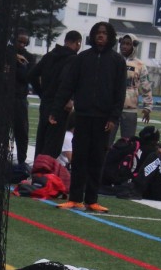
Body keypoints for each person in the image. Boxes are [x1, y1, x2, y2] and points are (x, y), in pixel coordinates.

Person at [53, 19, 126, 213]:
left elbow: (120, 93)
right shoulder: (82, 58)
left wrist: (113, 118)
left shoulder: (118, 61)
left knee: (97, 159)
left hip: (103, 119)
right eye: (98, 32)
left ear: (110, 37)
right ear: (93, 36)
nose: (101, 35)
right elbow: (68, 85)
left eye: (104, 33)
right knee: (79, 158)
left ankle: (92, 200)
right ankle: (75, 198)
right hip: (83, 115)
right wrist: (56, 109)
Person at [28, 30, 81, 158]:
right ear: (78, 43)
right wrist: (69, 98)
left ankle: (37, 167)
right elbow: (65, 81)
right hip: (60, 105)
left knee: (41, 139)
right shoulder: (73, 59)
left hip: (46, 102)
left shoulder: (50, 55)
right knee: (53, 144)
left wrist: (41, 93)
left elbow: (32, 75)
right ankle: (45, 168)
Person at [116, 35, 152, 142]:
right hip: (112, 108)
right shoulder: (113, 60)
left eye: (128, 44)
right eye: (123, 43)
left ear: (134, 46)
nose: (124, 46)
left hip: (130, 109)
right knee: (106, 141)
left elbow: (146, 86)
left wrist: (148, 107)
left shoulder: (140, 65)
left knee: (128, 142)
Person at [11, 30, 36, 173]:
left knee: (22, 131)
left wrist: (17, 65)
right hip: (4, 97)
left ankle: (21, 161)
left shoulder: (29, 57)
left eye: (24, 43)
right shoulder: (7, 52)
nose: (21, 45)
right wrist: (14, 57)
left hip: (19, 98)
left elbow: (26, 77)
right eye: (19, 41)